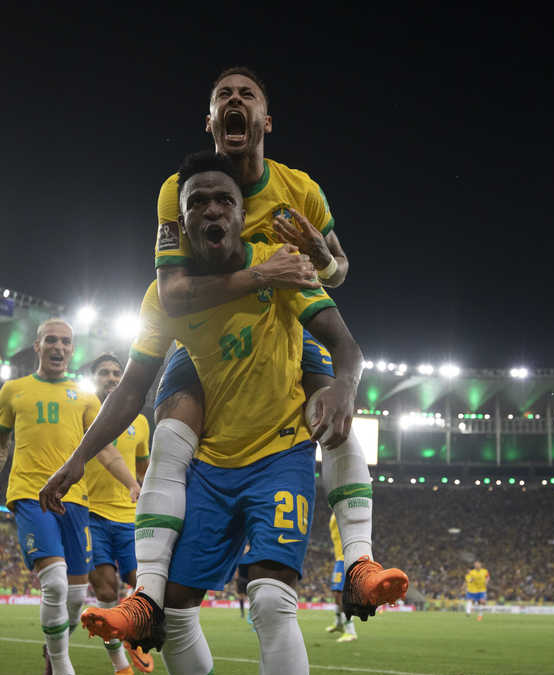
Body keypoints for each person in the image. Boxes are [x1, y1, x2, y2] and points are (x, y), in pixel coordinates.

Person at [40, 151, 404, 675]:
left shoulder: (282, 264)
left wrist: (342, 387)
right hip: (213, 466)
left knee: (270, 599)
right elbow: (129, 389)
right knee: (172, 617)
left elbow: (344, 340)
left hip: (279, 456)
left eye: (223, 201)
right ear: (178, 223)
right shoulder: (166, 297)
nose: (211, 209)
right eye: (197, 202)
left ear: (244, 213)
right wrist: (77, 459)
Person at [124, 66, 383, 629]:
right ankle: (146, 592)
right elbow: (172, 292)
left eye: (247, 95)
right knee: (168, 435)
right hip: (199, 341)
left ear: (265, 120)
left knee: (334, 409)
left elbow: (336, 272)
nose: (234, 101)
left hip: (281, 328)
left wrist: (319, 253)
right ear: (211, 121)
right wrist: (263, 275)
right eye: (223, 96)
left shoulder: (301, 191)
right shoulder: (179, 190)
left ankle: (358, 560)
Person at [0, 318, 141, 675]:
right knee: (56, 585)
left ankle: (52, 653)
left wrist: (132, 483)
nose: (59, 347)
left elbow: (106, 450)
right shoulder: (14, 390)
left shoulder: (84, 398)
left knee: (76, 597)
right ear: (38, 345)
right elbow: (0, 444)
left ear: (72, 349)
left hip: (76, 501)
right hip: (30, 495)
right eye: (51, 340)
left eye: (65, 341)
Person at [82, 352, 154, 675]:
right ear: (92, 378)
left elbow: (143, 468)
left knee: (143, 588)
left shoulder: (139, 422)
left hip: (128, 519)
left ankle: (133, 637)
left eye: (116, 373)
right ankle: (121, 669)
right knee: (106, 591)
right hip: (90, 514)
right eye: (103, 372)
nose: (111, 377)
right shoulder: (81, 413)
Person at [324, 517, 356, 642]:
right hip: (339, 559)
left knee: (340, 594)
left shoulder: (341, 513)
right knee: (336, 593)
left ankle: (350, 631)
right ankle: (339, 624)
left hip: (345, 558)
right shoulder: (334, 515)